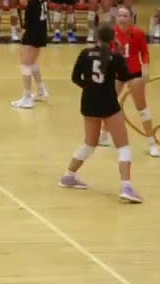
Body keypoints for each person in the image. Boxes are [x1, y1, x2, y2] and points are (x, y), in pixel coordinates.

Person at [58, 23, 143, 204]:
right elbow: (125, 76)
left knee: (89, 144)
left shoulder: (85, 53)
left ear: (96, 37)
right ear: (113, 39)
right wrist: (120, 54)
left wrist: (89, 87)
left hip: (88, 102)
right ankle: (126, 187)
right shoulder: (115, 57)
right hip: (108, 103)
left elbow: (75, 78)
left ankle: (68, 176)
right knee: (123, 147)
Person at [99, 6, 159, 156]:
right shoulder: (112, 33)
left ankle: (152, 143)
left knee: (142, 108)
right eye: (120, 15)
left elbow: (144, 52)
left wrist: (145, 68)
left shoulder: (138, 33)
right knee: (108, 103)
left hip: (134, 73)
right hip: (117, 73)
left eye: (125, 16)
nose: (122, 18)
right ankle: (104, 135)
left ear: (131, 18)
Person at [11, 0, 49, 109]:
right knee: (32, 63)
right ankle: (41, 90)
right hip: (40, 33)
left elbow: (30, 20)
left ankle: (27, 97)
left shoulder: (33, 1)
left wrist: (23, 32)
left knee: (25, 65)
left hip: (33, 34)